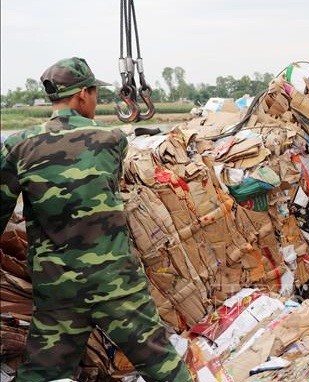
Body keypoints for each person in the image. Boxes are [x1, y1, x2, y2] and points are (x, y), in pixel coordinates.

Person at [0, 57, 193, 381]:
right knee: (163, 365)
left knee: (43, 372)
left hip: (57, 284)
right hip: (114, 279)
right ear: (81, 95)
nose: (97, 100)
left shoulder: (18, 145)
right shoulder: (112, 139)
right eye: (95, 93)